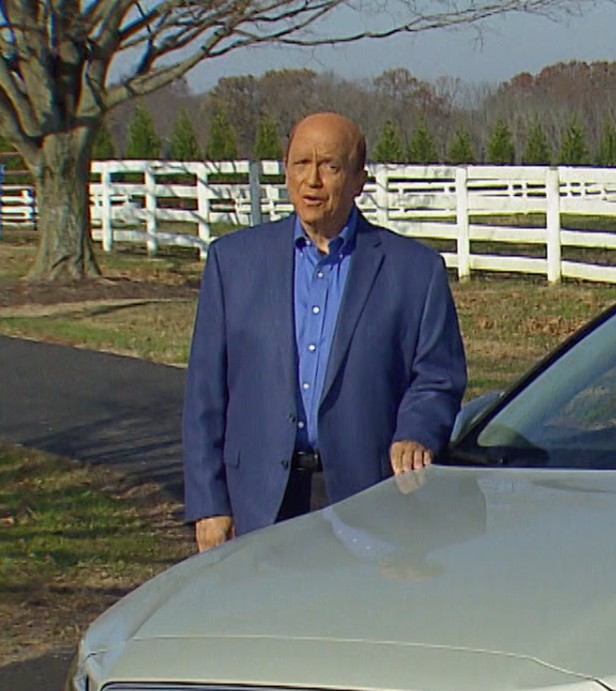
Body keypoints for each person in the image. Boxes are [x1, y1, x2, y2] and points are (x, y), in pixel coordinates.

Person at [182, 112, 467, 552]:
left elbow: (438, 377)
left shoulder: (414, 271)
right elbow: (205, 395)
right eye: (301, 164)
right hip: (257, 501)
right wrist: (209, 504)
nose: (311, 180)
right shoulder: (233, 263)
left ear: (358, 181)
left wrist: (416, 433)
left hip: (367, 500)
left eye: (330, 166)